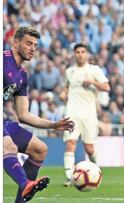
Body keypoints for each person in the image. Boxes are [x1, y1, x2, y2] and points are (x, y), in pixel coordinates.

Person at [3, 26, 74, 202]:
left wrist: (53, 125)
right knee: (9, 146)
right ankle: (25, 183)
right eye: (28, 43)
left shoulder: (23, 75)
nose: (33, 48)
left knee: (39, 149)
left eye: (35, 45)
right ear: (16, 42)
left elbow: (23, 114)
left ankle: (22, 198)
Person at [60, 43, 110, 186]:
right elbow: (67, 85)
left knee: (89, 148)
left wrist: (93, 82)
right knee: (70, 143)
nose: (80, 54)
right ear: (74, 54)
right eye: (77, 52)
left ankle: (96, 170)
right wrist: (64, 93)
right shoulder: (69, 71)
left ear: (87, 54)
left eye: (83, 52)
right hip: (72, 113)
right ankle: (69, 177)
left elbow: (107, 87)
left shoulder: (94, 70)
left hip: (89, 115)